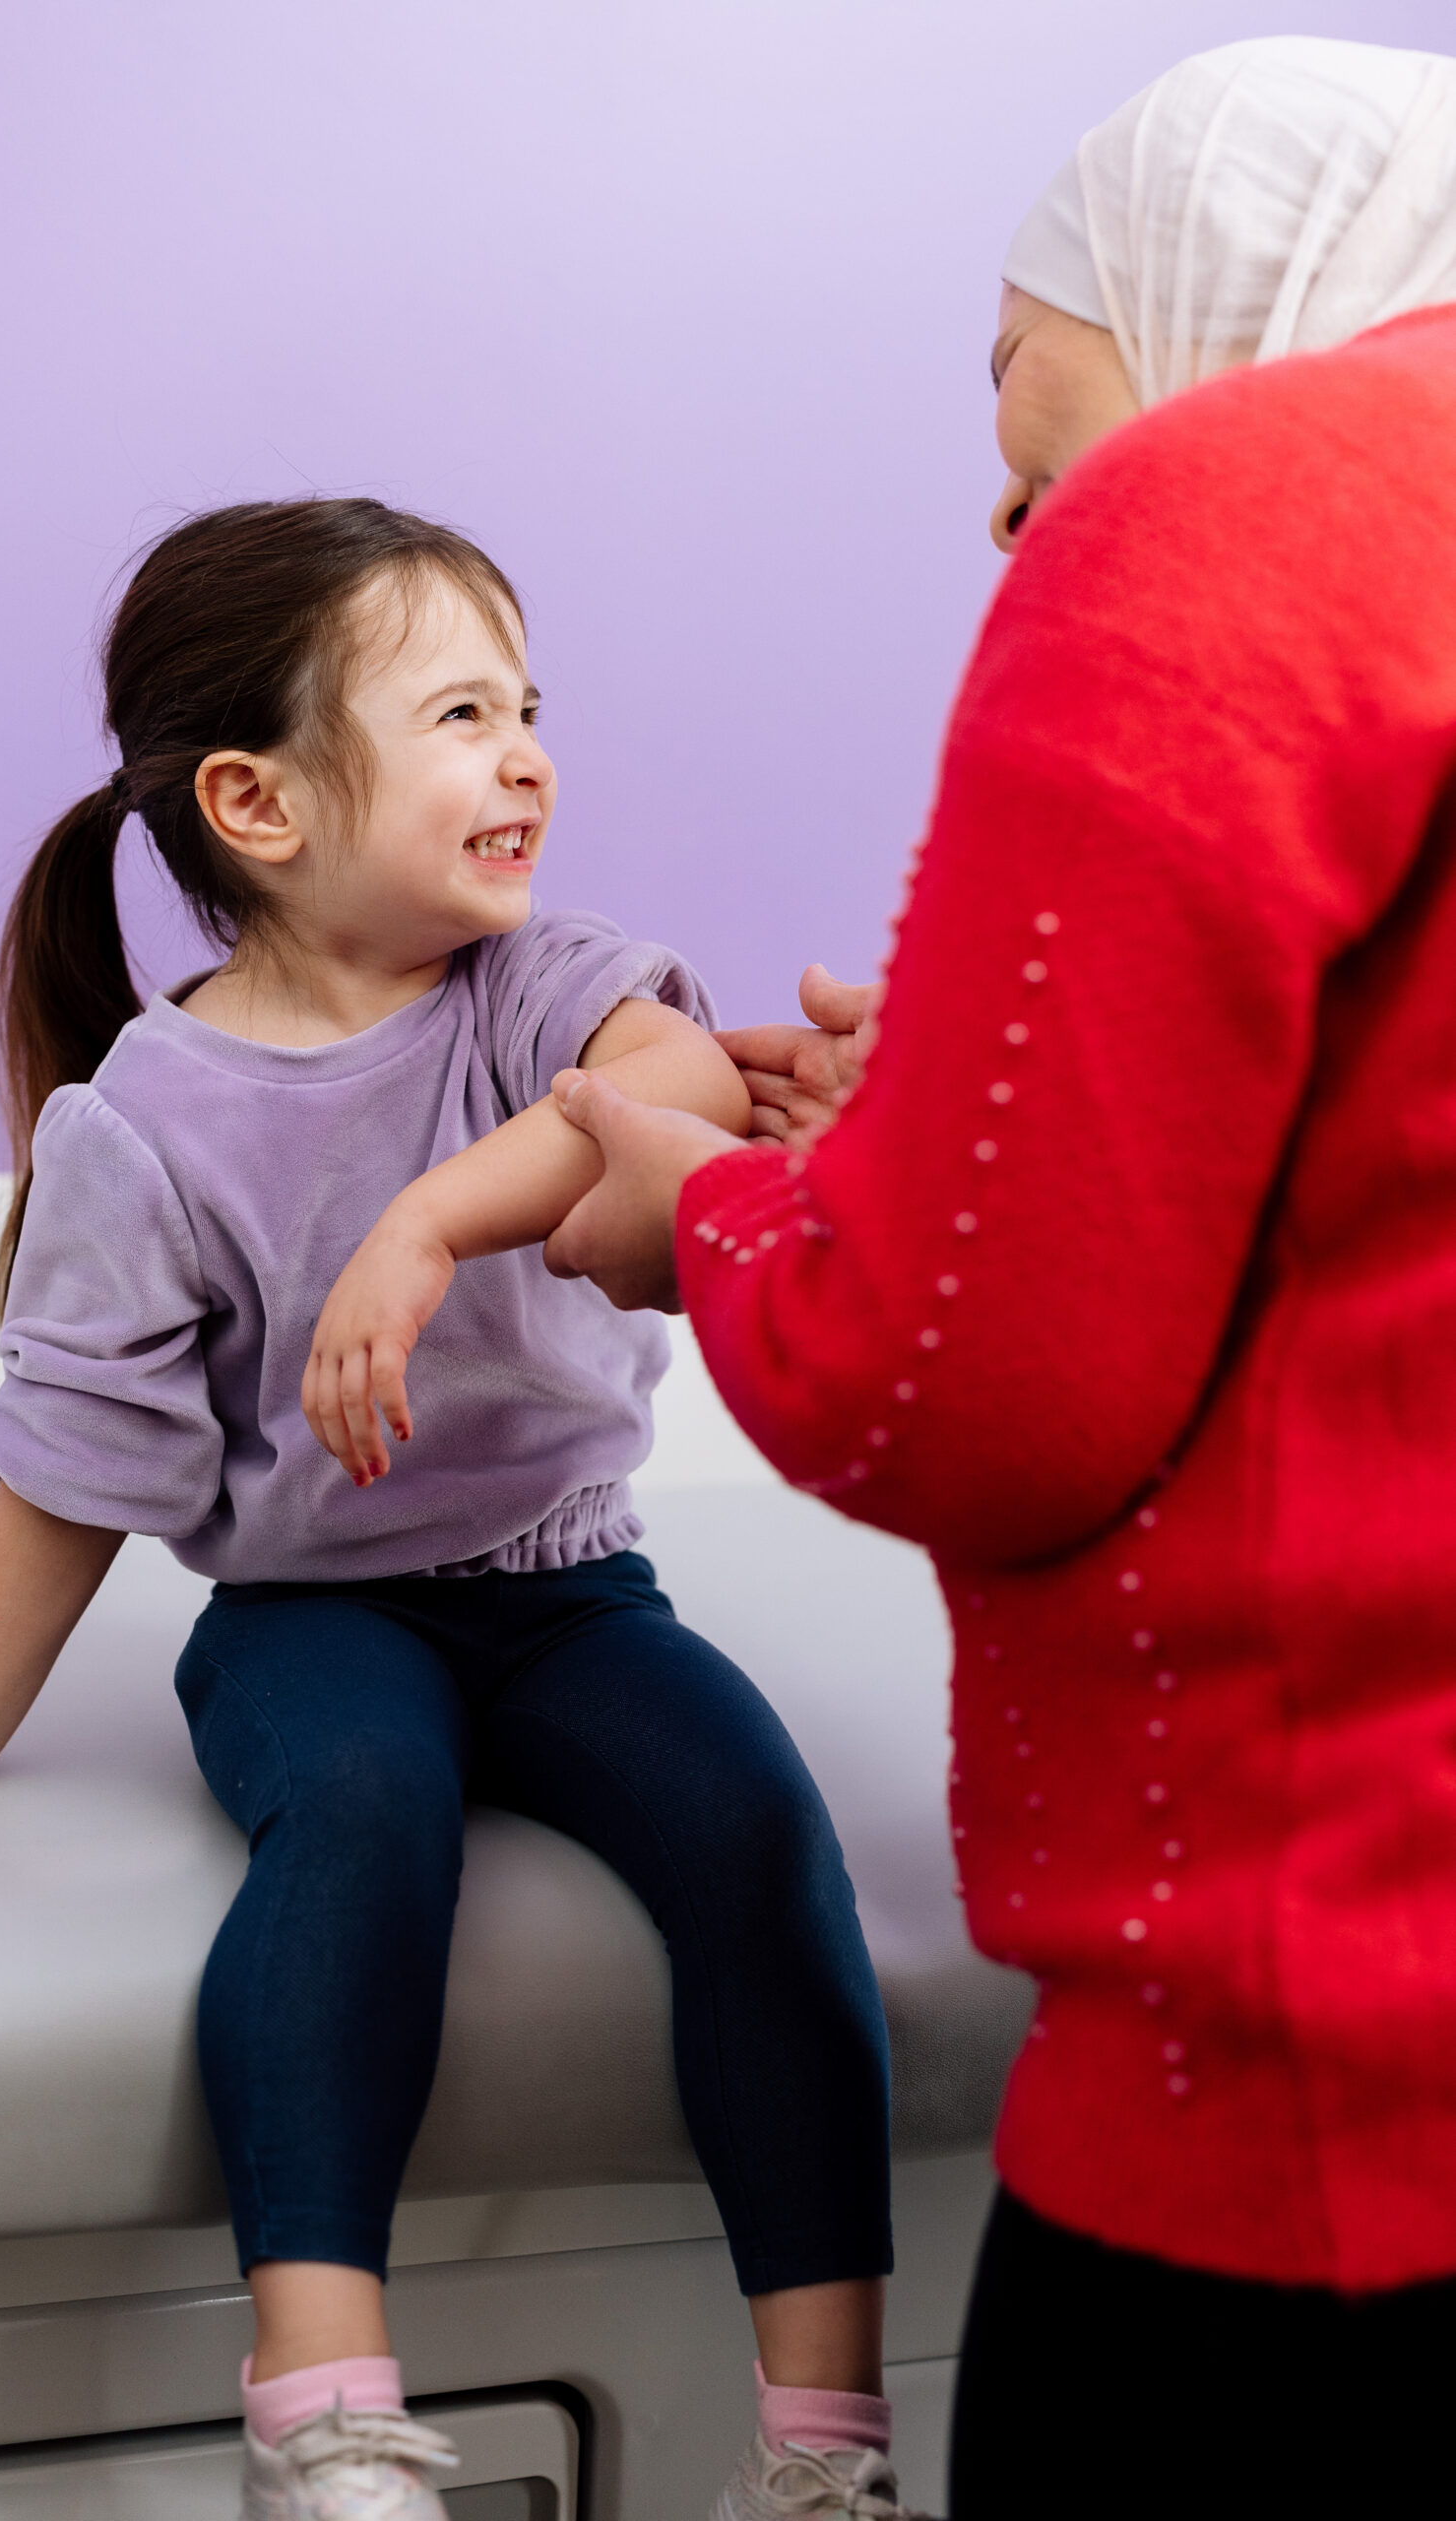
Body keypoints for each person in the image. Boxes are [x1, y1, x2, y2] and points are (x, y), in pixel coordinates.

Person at [0, 499, 911, 2521]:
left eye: (529, 706)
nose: (527, 755)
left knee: (754, 1829)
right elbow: (74, 1457)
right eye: (460, 711)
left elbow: (672, 1097)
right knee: (363, 1815)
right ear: (259, 801)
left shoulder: (552, 981)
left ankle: (821, 2445)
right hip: (314, 1611)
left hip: (570, 1590)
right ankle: (323, 2408)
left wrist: (413, 1225)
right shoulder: (148, 1115)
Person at [538, 36, 1456, 2516]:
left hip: (1336, 2123)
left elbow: (955, 1380)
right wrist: (951, 1134)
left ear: (1210, 291)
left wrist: (705, 1215)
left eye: (1009, 375)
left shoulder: (1234, 499)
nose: (998, 493)